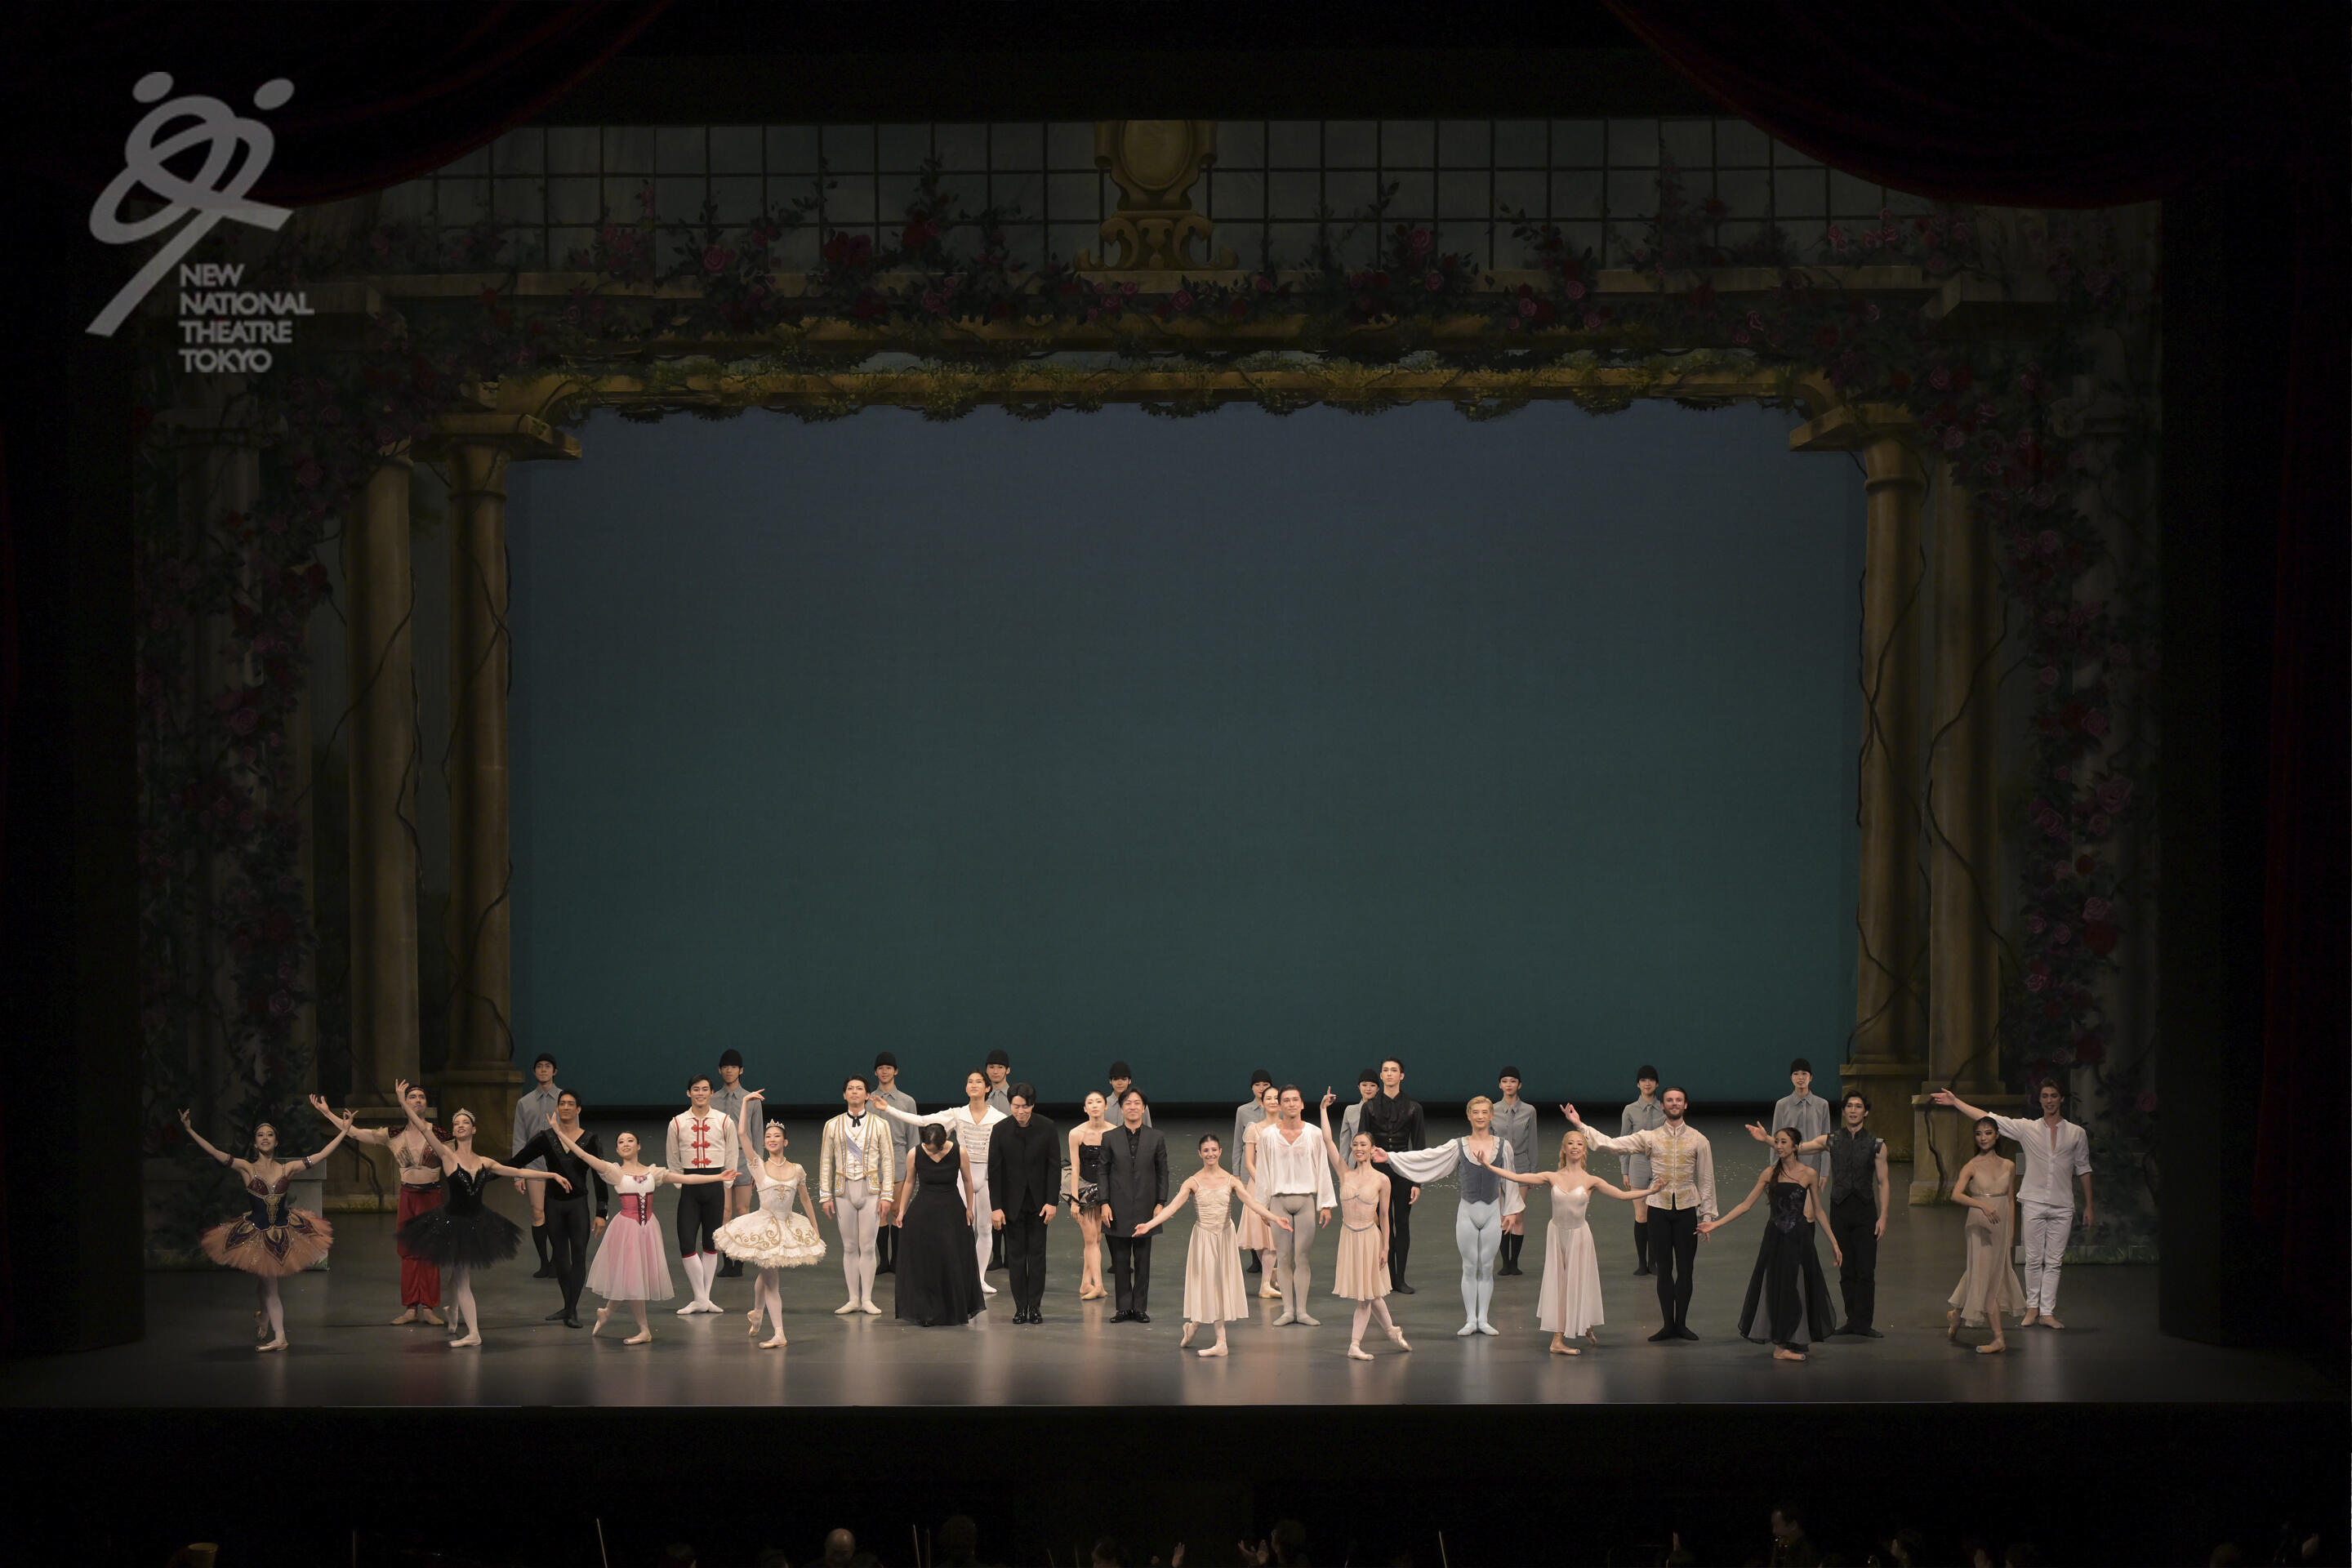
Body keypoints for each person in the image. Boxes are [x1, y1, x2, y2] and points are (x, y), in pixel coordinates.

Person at [390, 1079, 572, 1348]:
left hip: (476, 1222)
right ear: (453, 1132)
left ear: (474, 1129)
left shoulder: (485, 1162)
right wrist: (402, 1102)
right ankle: (473, 1332)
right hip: (452, 1222)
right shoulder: (447, 1155)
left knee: (458, 1275)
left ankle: (455, 1312)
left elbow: (519, 1170)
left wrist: (552, 1175)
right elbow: (424, 1128)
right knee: (461, 1276)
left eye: (465, 1122)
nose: (460, 1126)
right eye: (456, 1124)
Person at [181, 1102, 353, 1350]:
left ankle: (270, 1325)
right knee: (268, 1283)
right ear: (255, 1143)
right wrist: (190, 1130)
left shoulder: (287, 1168)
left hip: (283, 1230)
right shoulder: (247, 1168)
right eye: (260, 1135)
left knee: (267, 1282)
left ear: (276, 1141)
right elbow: (216, 1153)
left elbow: (321, 1155)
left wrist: (344, 1131)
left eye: (269, 1134)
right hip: (256, 1232)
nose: (265, 1138)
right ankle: (278, 1333)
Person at [550, 1117, 732, 1344]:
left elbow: (687, 1178)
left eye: (630, 1141)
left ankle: (607, 1312)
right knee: (633, 1280)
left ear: (638, 1146)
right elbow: (584, 1155)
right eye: (621, 1142)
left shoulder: (652, 1173)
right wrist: (560, 1133)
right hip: (627, 1230)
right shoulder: (615, 1172)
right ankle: (644, 1330)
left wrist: (718, 1176)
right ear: (617, 1149)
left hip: (648, 1230)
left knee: (631, 1279)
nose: (625, 1144)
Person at [1480, 1128, 1657, 1355]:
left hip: (1580, 1237)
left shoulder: (1592, 1180)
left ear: (1585, 1151)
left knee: (1580, 1282)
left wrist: (1652, 1190)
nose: (1575, 1147)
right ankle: (1557, 1340)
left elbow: (1622, 1195)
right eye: (1571, 1143)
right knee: (1560, 1286)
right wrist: (1489, 1166)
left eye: (1580, 1144)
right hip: (1557, 1236)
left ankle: (1585, 1324)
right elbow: (1517, 1177)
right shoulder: (1552, 1177)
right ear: (1564, 1148)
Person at [1932, 1080, 2092, 1327]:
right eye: (2045, 1096)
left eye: (2054, 1096)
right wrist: (1956, 1103)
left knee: (2054, 1261)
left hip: (2062, 1203)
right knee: (2033, 1259)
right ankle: (2032, 1308)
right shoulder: (2027, 1128)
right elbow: (1988, 1118)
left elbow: (2083, 1168)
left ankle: (2047, 1313)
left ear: (2062, 1099)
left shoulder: (2076, 1133)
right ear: (2040, 1100)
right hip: (2034, 1201)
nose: (2049, 1100)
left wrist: (2089, 1205)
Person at [1566, 1089, 1715, 1340]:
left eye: (1679, 1100)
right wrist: (1580, 1125)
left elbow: (1706, 1178)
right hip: (1658, 1209)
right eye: (1670, 1100)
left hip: (1686, 1210)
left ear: (1686, 1105)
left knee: (1686, 1270)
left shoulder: (1699, 1140)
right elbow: (1612, 1144)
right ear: (1663, 1106)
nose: (1674, 1104)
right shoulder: (1650, 1137)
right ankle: (1668, 1325)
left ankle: (1681, 1324)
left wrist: (1707, 1216)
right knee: (1664, 1270)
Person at [1367, 1094, 1521, 1335]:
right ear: (1469, 1116)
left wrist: (1510, 1210)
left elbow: (1510, 1178)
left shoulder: (1504, 1146)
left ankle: (1483, 1319)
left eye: (1484, 1112)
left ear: (1492, 1116)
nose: (1480, 1116)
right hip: (1468, 1212)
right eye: (1475, 1112)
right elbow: (1428, 1157)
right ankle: (1470, 1320)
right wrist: (1391, 1157)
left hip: (1492, 1211)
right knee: (1469, 1266)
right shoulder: (1458, 1146)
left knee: (1486, 1266)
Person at [1129, 1131, 1293, 1356]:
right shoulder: (1193, 1182)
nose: (1210, 1154)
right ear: (1199, 1153)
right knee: (1207, 1285)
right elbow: (1172, 1207)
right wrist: (1149, 1225)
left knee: (1218, 1286)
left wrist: (1275, 1218)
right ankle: (1203, 1331)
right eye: (1206, 1151)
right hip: (1204, 1238)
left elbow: (1252, 1203)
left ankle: (1211, 1336)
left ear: (1220, 1152)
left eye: (1214, 1150)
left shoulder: (1231, 1180)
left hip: (1224, 1237)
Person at [1752, 1091, 1889, 1336]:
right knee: (1846, 1268)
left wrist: (1884, 1216)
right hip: (1840, 1209)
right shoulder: (1831, 1140)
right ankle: (1852, 1320)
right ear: (1844, 1111)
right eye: (1849, 1106)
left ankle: (1864, 1323)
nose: (1853, 1110)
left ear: (1866, 1112)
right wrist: (1767, 1140)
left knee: (1866, 1269)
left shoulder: (1877, 1144)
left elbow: (1883, 1182)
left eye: (1858, 1106)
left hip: (1865, 1211)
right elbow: (1797, 1147)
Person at [314, 1082, 448, 1325]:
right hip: (409, 1196)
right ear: (405, 1103)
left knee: (430, 1252)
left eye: (421, 1097)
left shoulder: (439, 1135)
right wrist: (327, 1113)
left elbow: (454, 1163)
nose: (417, 1100)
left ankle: (429, 1308)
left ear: (426, 1103)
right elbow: (355, 1133)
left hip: (432, 1197)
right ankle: (411, 1308)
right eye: (412, 1097)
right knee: (409, 1252)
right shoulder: (393, 1135)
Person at [871, 1069, 1009, 1297]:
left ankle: (979, 1279)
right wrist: (889, 1109)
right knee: (961, 1228)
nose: (974, 1085)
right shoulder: (957, 1114)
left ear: (987, 1088)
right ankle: (961, 1277)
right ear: (966, 1088)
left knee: (985, 1230)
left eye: (978, 1082)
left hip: (987, 1177)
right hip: (963, 1176)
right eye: (970, 1082)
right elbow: (923, 1120)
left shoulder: (999, 1118)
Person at [1701, 1128, 1833, 1361]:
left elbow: (1819, 1211)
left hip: (1799, 1237)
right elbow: (1745, 1205)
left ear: (1795, 1147)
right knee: (1778, 1286)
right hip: (1776, 1238)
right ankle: (1780, 1347)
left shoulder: (1809, 1174)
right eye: (1777, 1142)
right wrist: (1716, 1224)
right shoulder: (1770, 1173)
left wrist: (1834, 1242)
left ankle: (1792, 1337)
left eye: (1784, 1142)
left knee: (1797, 1286)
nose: (1779, 1146)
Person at [715, 1101, 827, 1348]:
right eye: (768, 1136)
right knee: (771, 1280)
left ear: (785, 1141)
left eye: (777, 1136)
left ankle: (757, 1313)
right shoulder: (758, 1166)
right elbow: (742, 1133)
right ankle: (779, 1333)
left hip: (787, 1225)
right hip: (764, 1226)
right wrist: (745, 1102)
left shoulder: (797, 1169)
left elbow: (805, 1200)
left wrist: (815, 1228)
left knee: (767, 1273)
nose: (772, 1139)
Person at [506, 1089, 611, 1327]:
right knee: (561, 1258)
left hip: (578, 1206)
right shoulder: (546, 1138)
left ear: (578, 1110)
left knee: (579, 1254)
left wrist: (601, 1213)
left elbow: (599, 1177)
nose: (565, 1107)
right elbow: (517, 1162)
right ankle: (567, 1306)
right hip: (553, 1205)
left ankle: (572, 1310)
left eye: (570, 1104)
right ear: (557, 1108)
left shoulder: (590, 1139)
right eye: (562, 1103)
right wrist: (484, 1171)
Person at [1317, 1096, 1410, 1359]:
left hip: (1370, 1239)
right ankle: (1391, 1330)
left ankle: (1354, 1345)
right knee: (1371, 1293)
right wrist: (1323, 1110)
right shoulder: (1345, 1173)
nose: (1358, 1148)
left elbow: (1386, 1216)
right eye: (1356, 1144)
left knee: (1366, 1296)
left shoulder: (1382, 1180)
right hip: (1349, 1238)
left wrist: (1386, 1248)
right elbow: (1328, 1141)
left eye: (1363, 1145)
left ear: (1372, 1149)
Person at [1252, 1086, 1337, 1325]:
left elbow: (1322, 1167)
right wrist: (1263, 1206)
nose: (1291, 1104)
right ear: (1279, 1105)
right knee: (1283, 1257)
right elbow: (1263, 1171)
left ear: (1302, 1104)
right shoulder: (1268, 1135)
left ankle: (1302, 1311)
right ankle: (1288, 1311)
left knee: (1302, 1257)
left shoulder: (1314, 1134)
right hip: (1278, 1202)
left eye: (1295, 1100)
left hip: (1305, 1201)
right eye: (1286, 1100)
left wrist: (1326, 1204)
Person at [1944, 1116, 2025, 1354]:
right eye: (1979, 1134)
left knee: (1980, 1272)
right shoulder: (1971, 1166)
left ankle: (1956, 1315)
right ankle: (1999, 1338)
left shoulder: (2008, 1165)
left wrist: (2011, 1234)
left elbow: (2010, 1200)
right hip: (1979, 1225)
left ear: (1997, 1135)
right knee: (1987, 1278)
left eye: (1988, 1133)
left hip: (2000, 1226)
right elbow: (1956, 1195)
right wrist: (1982, 1205)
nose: (1983, 1138)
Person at [818, 1073, 896, 1316]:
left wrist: (887, 1195)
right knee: (850, 1246)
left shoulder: (880, 1124)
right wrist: (825, 1195)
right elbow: (826, 1162)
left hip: (870, 1190)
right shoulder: (832, 1125)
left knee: (868, 1246)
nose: (854, 1092)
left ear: (867, 1095)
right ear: (844, 1094)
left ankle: (867, 1299)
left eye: (859, 1088)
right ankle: (853, 1298)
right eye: (850, 1088)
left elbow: (888, 1161)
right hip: (843, 1191)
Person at [666, 1072, 743, 1315]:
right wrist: (681, 1182)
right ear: (689, 1093)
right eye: (696, 1089)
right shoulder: (677, 1122)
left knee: (711, 1243)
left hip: (715, 1185)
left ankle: (703, 1299)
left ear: (711, 1092)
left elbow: (732, 1154)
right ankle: (701, 1299)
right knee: (686, 1242)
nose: (700, 1093)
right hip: (690, 1186)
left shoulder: (724, 1121)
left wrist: (727, 1183)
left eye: (705, 1089)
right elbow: (673, 1157)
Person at [893, 1124, 985, 1326]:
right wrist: (901, 1210)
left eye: (934, 1148)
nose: (930, 1151)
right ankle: (927, 1310)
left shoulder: (959, 1152)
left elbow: (968, 1181)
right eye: (928, 1147)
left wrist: (969, 1208)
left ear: (943, 1142)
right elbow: (909, 1182)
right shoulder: (914, 1153)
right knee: (927, 1261)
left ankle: (951, 1309)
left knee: (951, 1258)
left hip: (951, 1211)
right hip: (923, 1213)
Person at [987, 1083, 1060, 1323]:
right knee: (1016, 1258)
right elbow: (994, 1171)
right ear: (1010, 1105)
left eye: (1025, 1106)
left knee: (1037, 1257)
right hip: (1011, 1206)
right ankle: (1020, 1308)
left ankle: (1035, 1308)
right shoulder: (1000, 1130)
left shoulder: (1047, 1127)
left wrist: (1052, 1201)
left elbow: (1054, 1167)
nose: (1020, 1111)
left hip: (1040, 1205)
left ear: (1032, 1105)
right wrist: (996, 1207)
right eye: (1016, 1106)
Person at [1100, 1088, 1169, 1322]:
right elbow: (1103, 1172)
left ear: (1143, 1108)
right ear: (1121, 1108)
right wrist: (1104, 1203)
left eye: (1137, 1103)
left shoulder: (1156, 1137)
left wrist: (1160, 1203)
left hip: (1145, 1206)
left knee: (1142, 1260)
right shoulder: (1110, 1137)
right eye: (1128, 1103)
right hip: (1116, 1207)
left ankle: (1139, 1307)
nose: (1132, 1107)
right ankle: (1123, 1307)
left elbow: (1162, 1172)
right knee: (1120, 1261)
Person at [1359, 1057, 1425, 1293]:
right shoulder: (1369, 1107)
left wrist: (1417, 1181)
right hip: (1377, 1173)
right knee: (1381, 1223)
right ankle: (1385, 1276)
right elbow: (1362, 1143)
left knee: (1402, 1223)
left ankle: (1400, 1279)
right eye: (1385, 1070)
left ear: (1401, 1076)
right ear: (1381, 1075)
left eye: (1394, 1070)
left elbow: (1419, 1147)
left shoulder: (1414, 1108)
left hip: (1404, 1170)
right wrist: (1362, 1177)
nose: (1389, 1074)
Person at [710, 1049, 764, 1277]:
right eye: (725, 1067)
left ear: (741, 1070)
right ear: (720, 1070)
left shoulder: (751, 1099)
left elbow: (757, 1135)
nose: (729, 1070)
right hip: (720, 1161)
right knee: (724, 1211)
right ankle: (727, 1260)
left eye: (733, 1067)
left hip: (744, 1161)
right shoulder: (712, 1099)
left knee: (743, 1210)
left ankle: (739, 1262)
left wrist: (757, 1168)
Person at [510, 1052, 563, 1279]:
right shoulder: (524, 1102)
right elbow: (519, 1138)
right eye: (539, 1066)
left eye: (547, 1066)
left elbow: (574, 1135)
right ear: (534, 1071)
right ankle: (544, 1263)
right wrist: (517, 1174)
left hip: (559, 1166)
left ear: (554, 1071)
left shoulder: (564, 1099)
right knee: (538, 1211)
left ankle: (557, 1261)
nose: (543, 1070)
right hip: (534, 1165)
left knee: (556, 1214)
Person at [1770, 1058, 1833, 1224]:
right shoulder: (1782, 1105)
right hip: (1788, 1166)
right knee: (1788, 1212)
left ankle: (1806, 1241)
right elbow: (1776, 1139)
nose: (1800, 1077)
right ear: (1791, 1077)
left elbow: (1827, 1140)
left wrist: (1825, 1171)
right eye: (1796, 1074)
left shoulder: (1822, 1105)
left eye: (1804, 1074)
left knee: (1809, 1214)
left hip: (1812, 1166)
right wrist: (1774, 1167)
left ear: (1811, 1077)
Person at [869, 1052, 915, 1275]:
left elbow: (913, 1136)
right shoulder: (868, 1100)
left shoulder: (907, 1101)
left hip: (898, 1158)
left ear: (896, 1071)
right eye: (881, 1068)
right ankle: (883, 1261)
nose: (885, 1071)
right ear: (876, 1072)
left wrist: (914, 1165)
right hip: (874, 1161)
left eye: (889, 1067)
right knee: (879, 1212)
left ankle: (897, 1260)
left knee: (897, 1209)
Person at [1237, 1082, 1285, 1297]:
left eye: (1276, 1098)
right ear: (1262, 1103)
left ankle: (1268, 1280)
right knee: (1260, 1236)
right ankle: (1267, 1281)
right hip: (1259, 1187)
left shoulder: (1287, 1128)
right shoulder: (1254, 1129)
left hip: (1282, 1186)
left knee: (1275, 1237)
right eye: (1269, 1098)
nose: (1273, 1101)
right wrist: (1264, 1184)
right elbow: (1249, 1162)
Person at [1066, 1089, 1114, 1302]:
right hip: (1084, 1189)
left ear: (1105, 1106)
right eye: (1090, 1103)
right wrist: (1074, 1200)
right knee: (1091, 1238)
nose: (1095, 1106)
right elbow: (1075, 1168)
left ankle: (1086, 1283)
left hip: (1106, 1190)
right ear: (1085, 1108)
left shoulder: (1114, 1132)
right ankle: (1099, 1286)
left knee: (1097, 1237)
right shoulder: (1076, 1133)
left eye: (1098, 1102)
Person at [1490, 1068, 1537, 1275]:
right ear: (1500, 1085)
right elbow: (1488, 1141)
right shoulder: (1492, 1110)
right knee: (1502, 1215)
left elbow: (1533, 1141)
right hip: (1499, 1166)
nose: (1509, 1085)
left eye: (1513, 1081)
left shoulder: (1529, 1111)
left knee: (1517, 1215)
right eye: (1505, 1081)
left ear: (1520, 1084)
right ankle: (1505, 1263)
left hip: (1521, 1166)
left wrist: (1533, 1172)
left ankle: (1514, 1263)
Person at [1619, 1067, 1664, 1275]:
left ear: (1657, 1083)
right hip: (1637, 1164)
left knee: (1656, 1214)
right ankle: (1641, 1262)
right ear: (1638, 1084)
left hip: (1660, 1164)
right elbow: (1623, 1142)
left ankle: (1654, 1261)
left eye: (1651, 1080)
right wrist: (1625, 1171)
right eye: (1643, 1080)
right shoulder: (1630, 1110)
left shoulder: (1664, 1108)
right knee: (1641, 1214)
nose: (1647, 1083)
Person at [1232, 1068, 1274, 1274]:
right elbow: (1238, 1145)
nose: (1261, 1088)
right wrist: (1236, 1174)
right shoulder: (1243, 1111)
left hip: (1273, 1172)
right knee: (1253, 1216)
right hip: (1250, 1172)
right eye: (1257, 1085)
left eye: (1265, 1085)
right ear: (1252, 1088)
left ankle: (1272, 1260)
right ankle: (1256, 1259)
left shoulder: (1278, 1109)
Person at [981, 1049, 1013, 1270]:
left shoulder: (1014, 1094)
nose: (995, 1071)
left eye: (1000, 1067)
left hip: (1010, 1158)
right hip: (987, 1157)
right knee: (992, 1205)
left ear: (1007, 1070)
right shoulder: (982, 1094)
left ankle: (1011, 1255)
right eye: (991, 1067)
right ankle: (996, 1256)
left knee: (1010, 1207)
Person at [1335, 1069, 1379, 1166]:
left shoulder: (1384, 1110)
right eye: (1364, 1085)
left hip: (1377, 1160)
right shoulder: (1350, 1110)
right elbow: (1345, 1142)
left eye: (1372, 1085)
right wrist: (1342, 1168)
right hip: (1355, 1161)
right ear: (1359, 1087)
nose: (1368, 1089)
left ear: (1378, 1089)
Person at [1767, 1503, 1822, 1568]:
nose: (1774, 1531)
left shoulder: (1808, 1553)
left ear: (1793, 1525)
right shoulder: (1781, 1548)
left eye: (1777, 1525)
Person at [1106, 1060, 1153, 1126]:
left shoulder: (1140, 1103)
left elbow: (1148, 1129)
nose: (1120, 1083)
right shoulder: (1104, 1104)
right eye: (1116, 1079)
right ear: (1110, 1081)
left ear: (1129, 1081)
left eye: (1124, 1079)